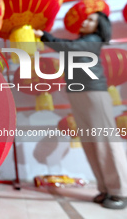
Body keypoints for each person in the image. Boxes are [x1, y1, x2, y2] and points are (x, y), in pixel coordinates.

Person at [34, 11, 127, 209]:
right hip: (79, 94)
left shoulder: (93, 40)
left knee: (104, 140)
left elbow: (70, 48)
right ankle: (105, 188)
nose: (85, 21)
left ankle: (120, 191)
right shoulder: (86, 39)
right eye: (87, 18)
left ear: (100, 26)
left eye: (91, 20)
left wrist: (45, 36)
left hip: (94, 93)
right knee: (90, 142)